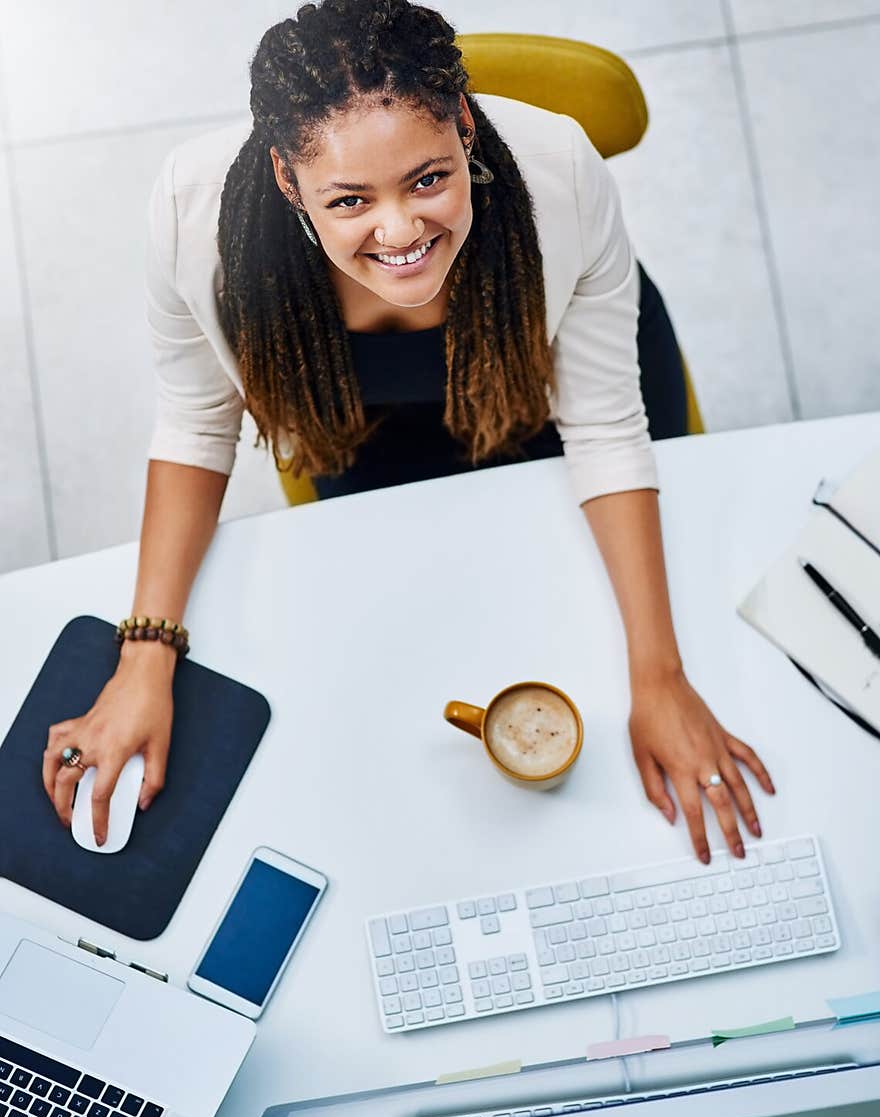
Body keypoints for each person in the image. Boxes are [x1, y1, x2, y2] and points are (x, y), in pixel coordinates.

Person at [43, 0, 774, 864]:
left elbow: (608, 426)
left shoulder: (561, 176)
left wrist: (660, 679)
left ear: (465, 126)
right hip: (360, 430)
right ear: (288, 180)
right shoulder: (191, 218)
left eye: (428, 178)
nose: (401, 234)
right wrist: (144, 659)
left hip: (546, 392)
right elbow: (198, 422)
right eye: (350, 199)